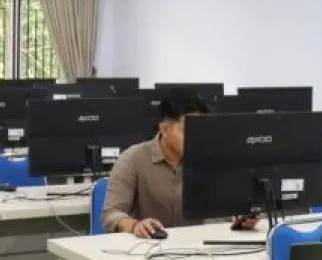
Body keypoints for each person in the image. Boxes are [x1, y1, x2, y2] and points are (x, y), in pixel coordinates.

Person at [101, 90, 259, 237]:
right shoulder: (132, 159)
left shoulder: (210, 159)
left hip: (197, 246)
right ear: (164, 129)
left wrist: (240, 218)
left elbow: (227, 209)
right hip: (147, 248)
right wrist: (135, 225)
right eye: (188, 130)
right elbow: (111, 214)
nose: (196, 137)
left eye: (200, 129)